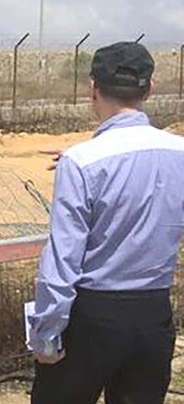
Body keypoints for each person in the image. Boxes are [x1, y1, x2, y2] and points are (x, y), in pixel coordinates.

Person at [28, 41, 184, 403]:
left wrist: (46, 333)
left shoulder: (82, 162)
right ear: (150, 89)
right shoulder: (179, 153)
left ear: (92, 89)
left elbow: (63, 258)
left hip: (92, 314)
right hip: (153, 313)